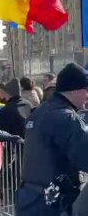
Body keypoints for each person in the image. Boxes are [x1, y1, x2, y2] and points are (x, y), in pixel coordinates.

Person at [17, 63, 88, 216]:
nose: (87, 96)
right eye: (86, 90)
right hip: (53, 204)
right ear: (75, 90)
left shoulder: (39, 112)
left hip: (29, 200)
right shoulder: (67, 118)